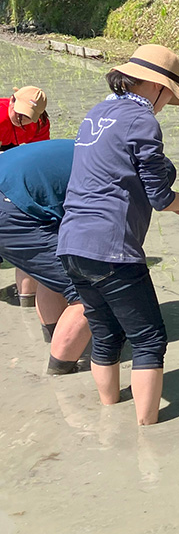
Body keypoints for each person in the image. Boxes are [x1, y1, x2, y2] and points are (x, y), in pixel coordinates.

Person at [57, 45, 179, 425]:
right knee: (149, 339)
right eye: (167, 96)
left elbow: (117, 180)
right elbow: (159, 196)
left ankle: (109, 414)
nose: (164, 105)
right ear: (158, 87)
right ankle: (148, 431)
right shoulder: (142, 120)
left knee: (106, 333)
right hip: (111, 248)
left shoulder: (96, 113)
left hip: (72, 243)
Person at [0, 139, 92, 374]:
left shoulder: (90, 144)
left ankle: (54, 336)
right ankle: (59, 375)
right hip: (10, 206)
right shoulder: (117, 168)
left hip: (13, 192)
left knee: (50, 274)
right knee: (92, 291)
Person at [1, 86, 50, 306]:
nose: (21, 121)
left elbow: (37, 159)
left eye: (27, 118)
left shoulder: (40, 125)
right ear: (11, 101)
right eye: (18, 114)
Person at [0, 86, 50, 151]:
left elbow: (39, 151)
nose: (20, 119)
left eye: (28, 116)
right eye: (19, 113)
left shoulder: (40, 125)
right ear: (12, 100)